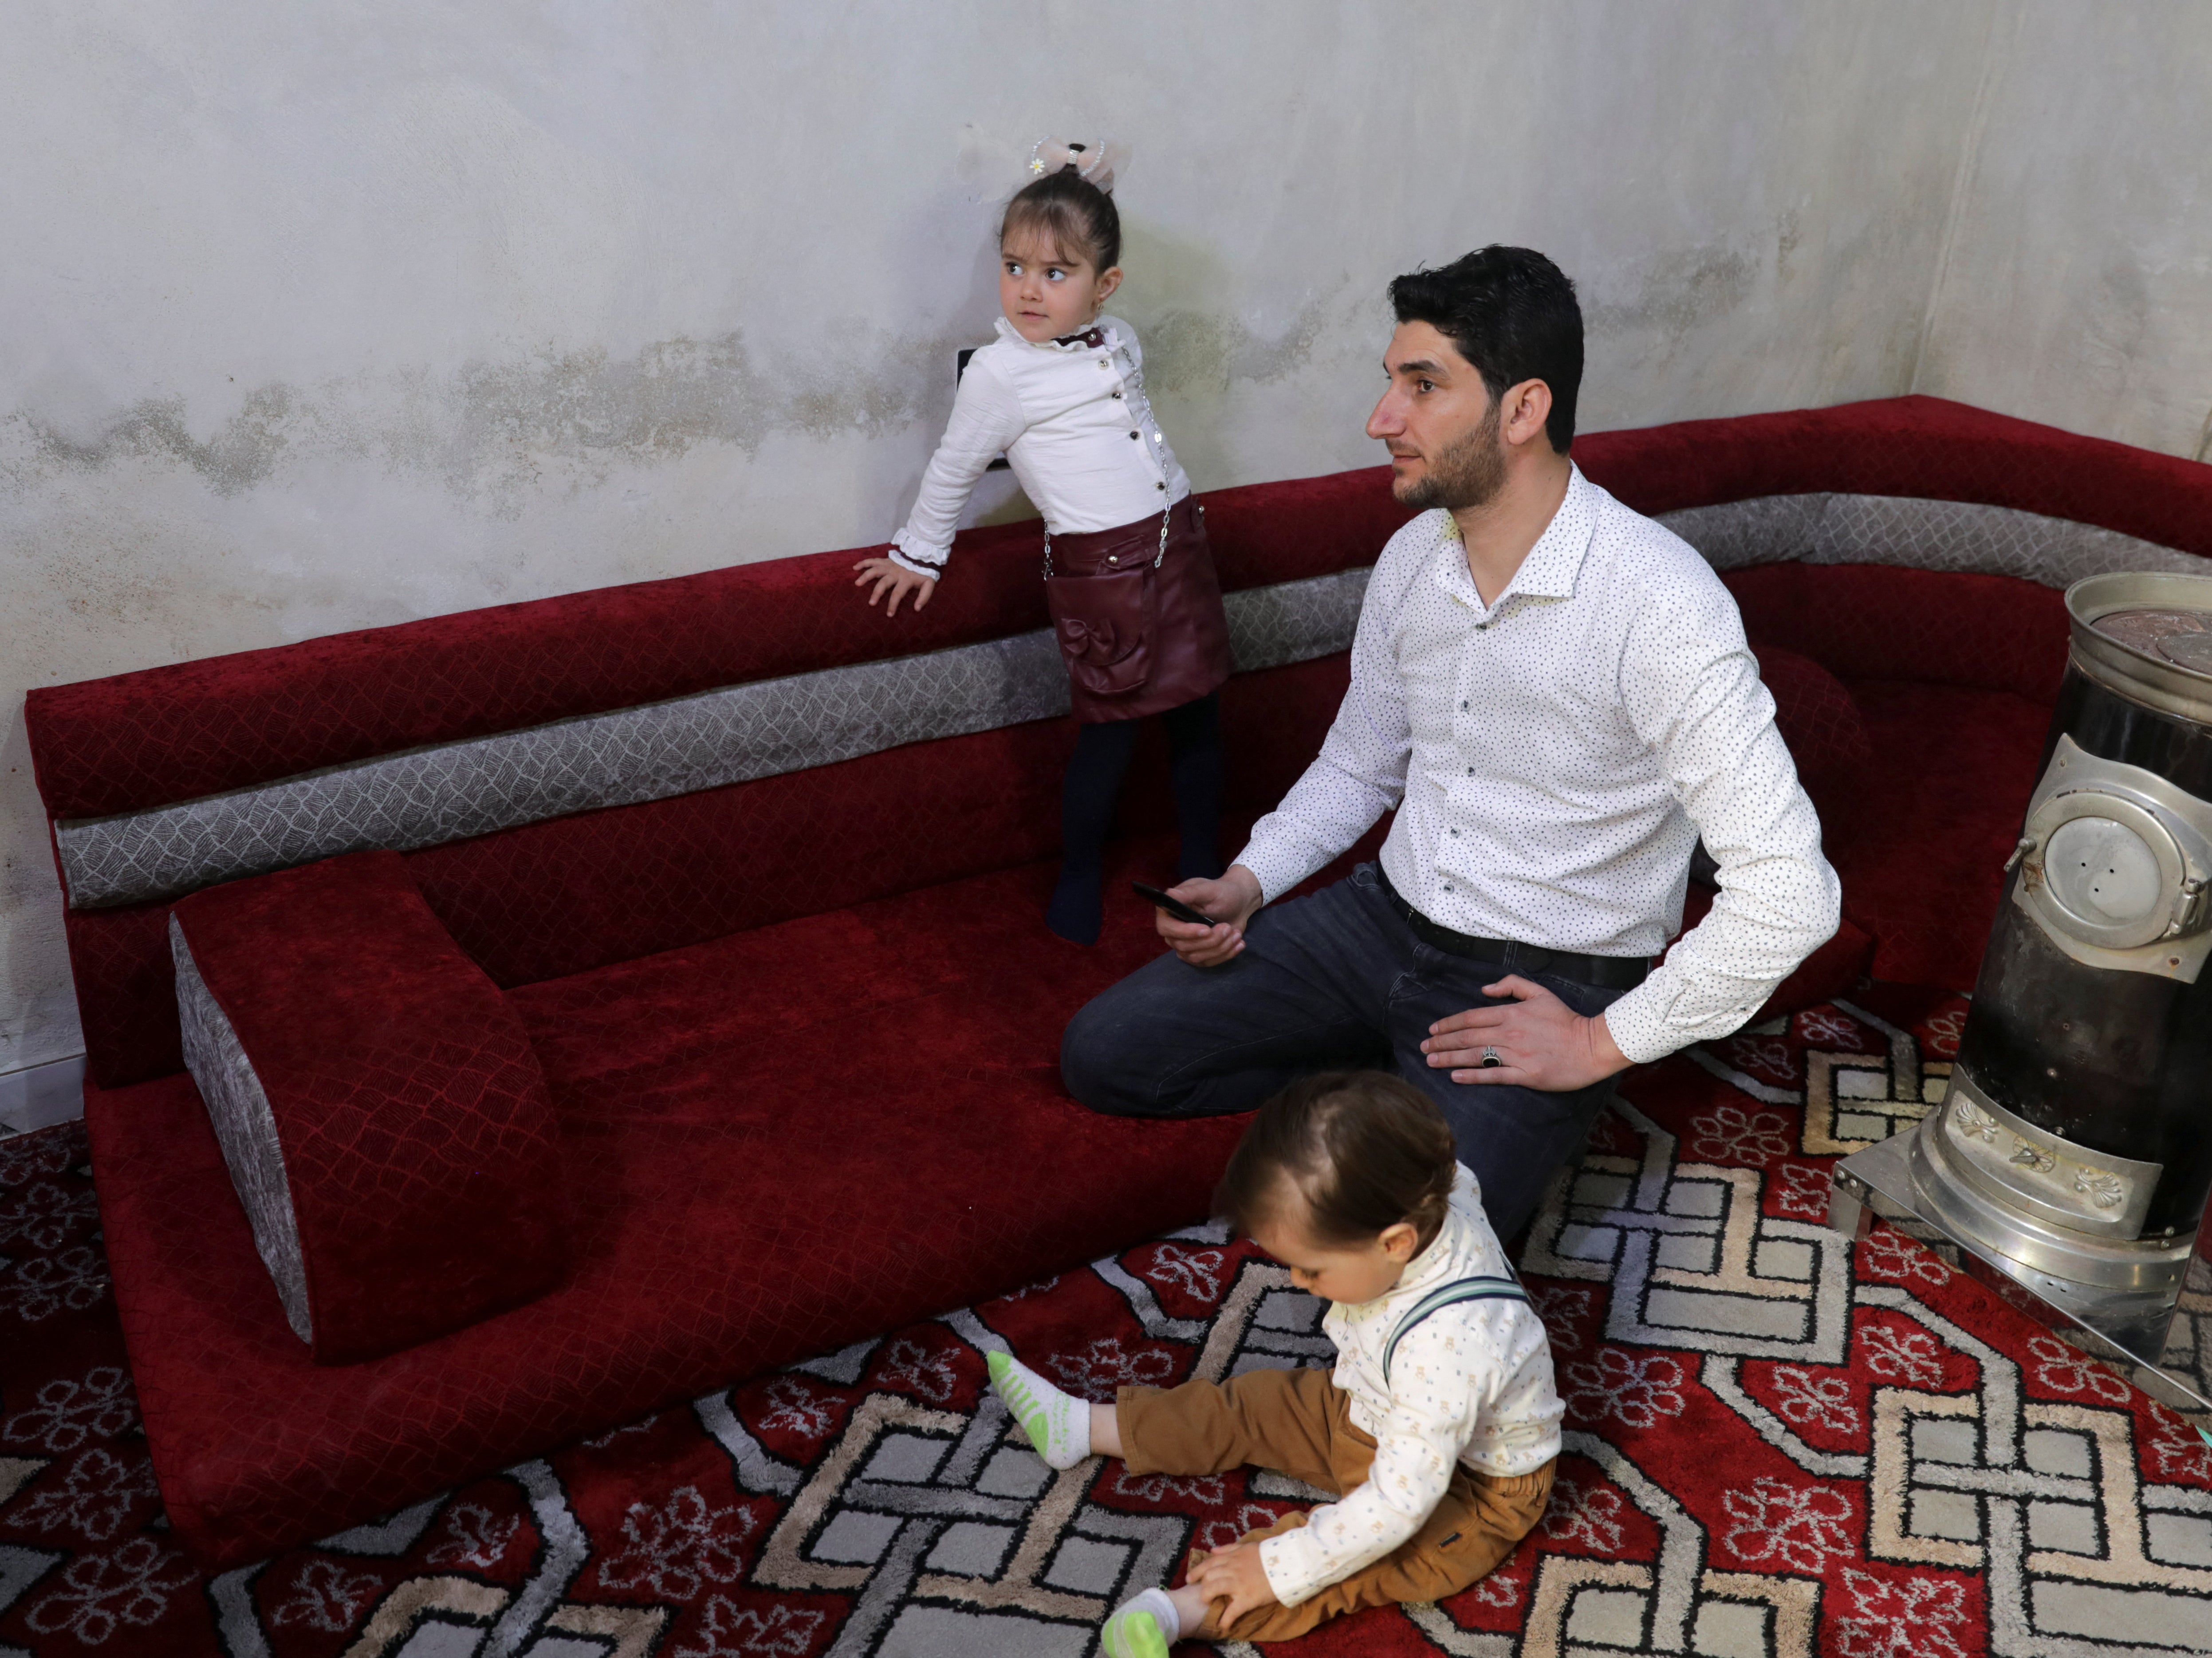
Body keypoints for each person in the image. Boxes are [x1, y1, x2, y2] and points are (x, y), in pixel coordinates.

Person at [1061, 246, 1840, 1239]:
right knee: (1108, 1053)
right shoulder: (1410, 559)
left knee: (1415, 1239)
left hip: (1543, 975)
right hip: (1380, 920)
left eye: (1422, 387)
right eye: (1391, 382)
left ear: (1522, 411)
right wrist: (1251, 881)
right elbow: (1358, 762)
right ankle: (1392, 1064)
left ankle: (1435, 1092)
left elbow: (1791, 895)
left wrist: (1604, 1042)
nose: (1383, 419)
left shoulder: (1661, 604)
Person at [987, 1071, 1560, 1653]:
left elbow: (1397, 1503)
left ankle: (1177, 1612)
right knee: (1256, 1404)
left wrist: (1278, 1565)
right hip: (1374, 1405)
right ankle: (1086, 1426)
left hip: (1474, 1491)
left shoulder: (1450, 1347)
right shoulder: (1442, 1187)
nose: (1295, 1280)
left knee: (1343, 1563)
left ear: (1395, 1243)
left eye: (1310, 1268)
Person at [852, 139, 1234, 944]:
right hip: (1102, 571)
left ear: (1104, 288)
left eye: (1055, 274)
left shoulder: (1118, 337)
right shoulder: (998, 372)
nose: (1029, 289)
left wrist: (1090, 179)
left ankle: (1205, 863)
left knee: (1198, 713)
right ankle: (1079, 872)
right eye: (1015, 266)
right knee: (1112, 732)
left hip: (1177, 540)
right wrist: (917, 554)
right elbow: (953, 466)